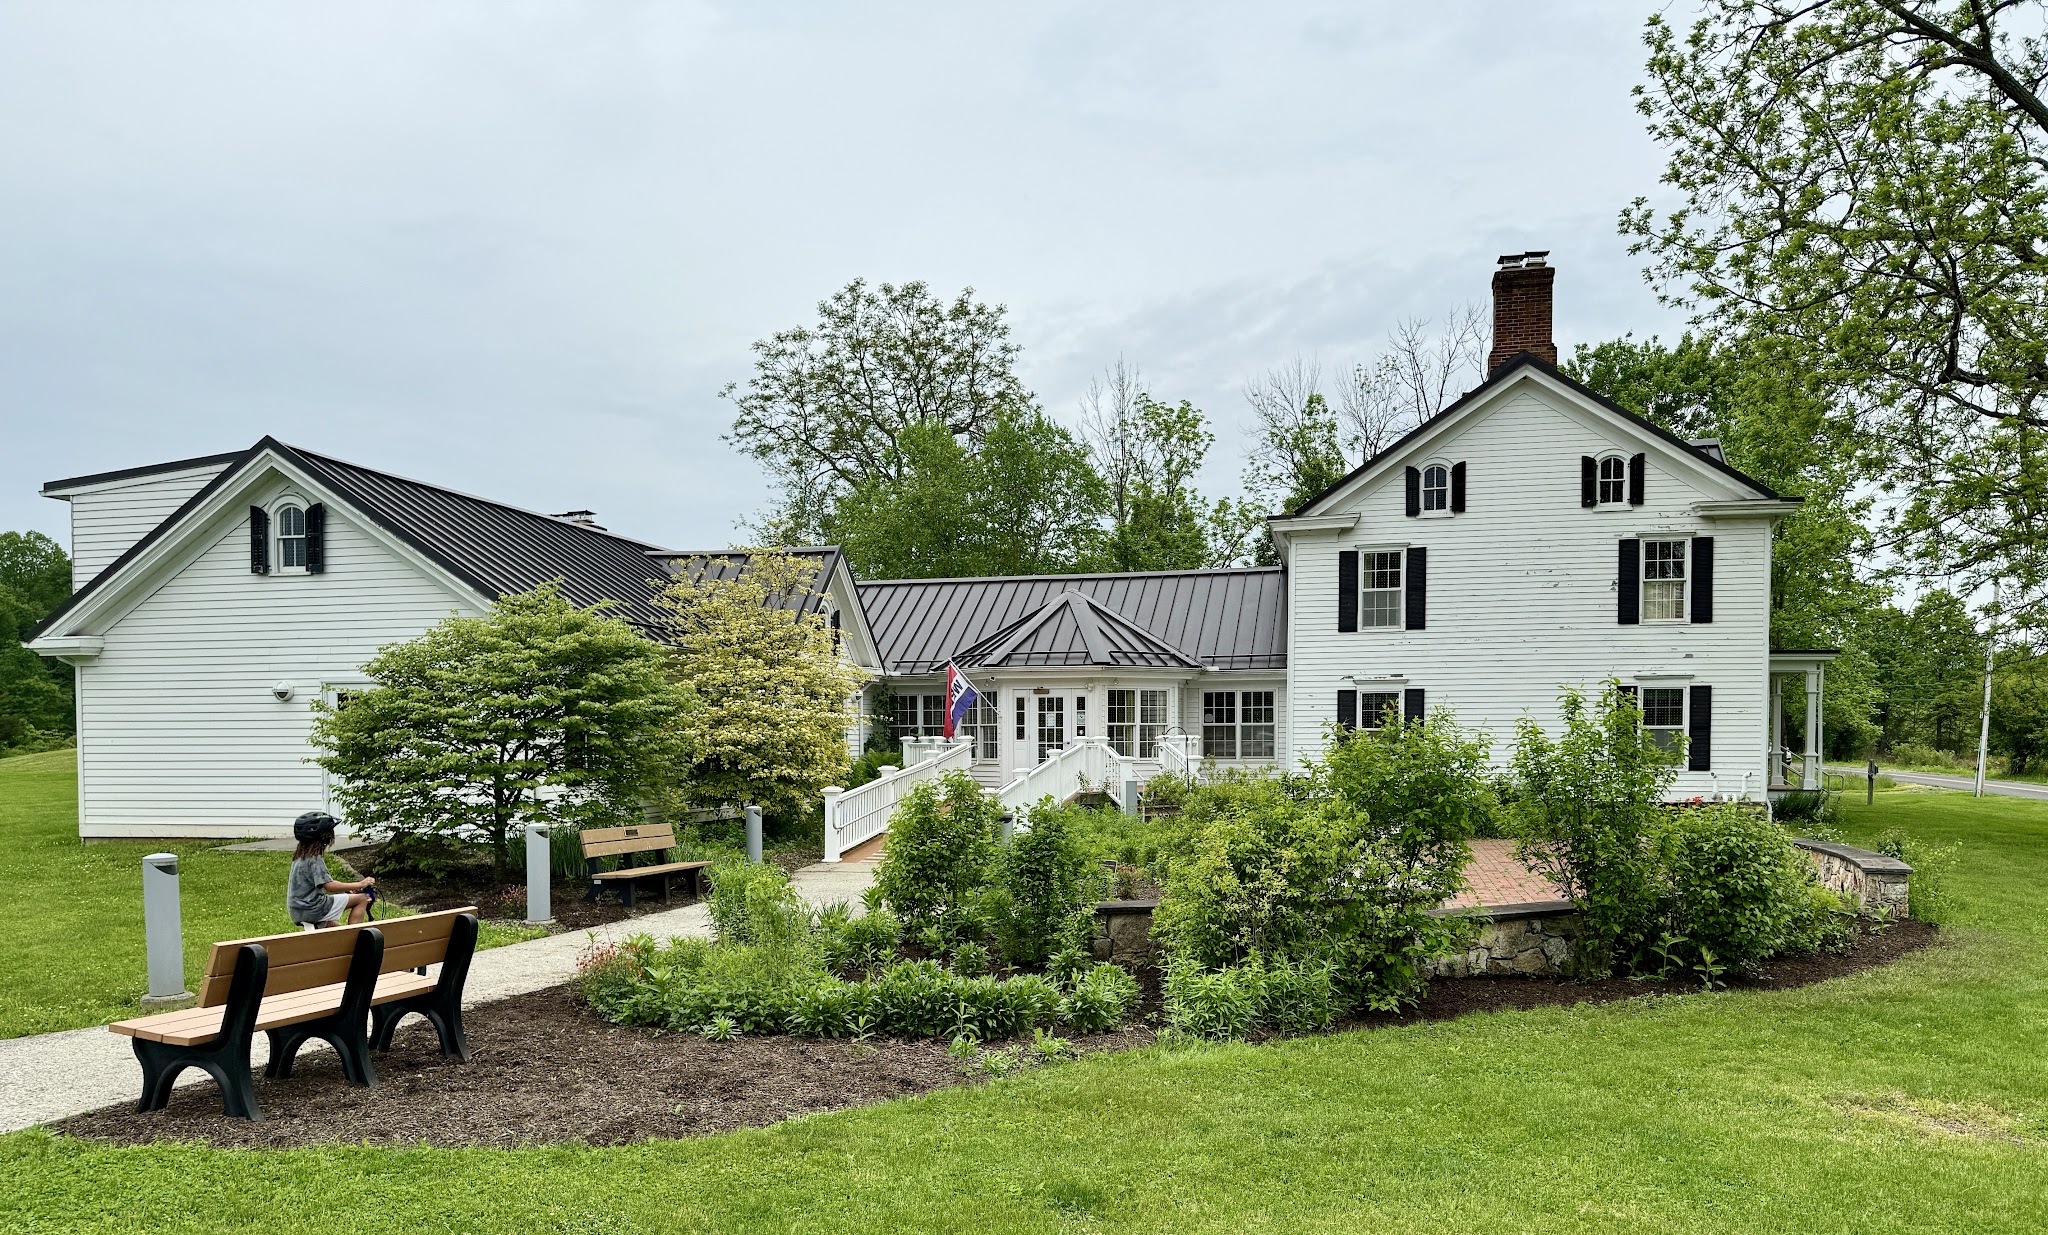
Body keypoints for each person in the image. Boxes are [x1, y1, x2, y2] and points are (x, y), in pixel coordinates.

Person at [287, 811, 375, 929]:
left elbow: (323, 884)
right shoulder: (314, 859)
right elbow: (330, 886)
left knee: (335, 930)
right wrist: (360, 884)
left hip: (297, 910)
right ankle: (354, 937)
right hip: (313, 908)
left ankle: (343, 938)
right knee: (361, 899)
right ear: (324, 836)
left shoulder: (300, 856)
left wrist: (348, 889)